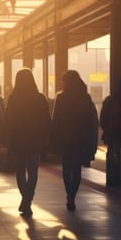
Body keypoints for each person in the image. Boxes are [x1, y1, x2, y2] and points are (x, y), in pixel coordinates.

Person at [51, 70, 98, 211]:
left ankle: (69, 195)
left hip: (66, 138)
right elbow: (93, 119)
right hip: (80, 138)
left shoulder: (61, 98)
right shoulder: (85, 97)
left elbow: (56, 119)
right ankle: (73, 195)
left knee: (66, 167)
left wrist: (53, 137)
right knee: (77, 168)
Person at [5, 68, 50, 216]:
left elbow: (8, 121)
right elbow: (46, 121)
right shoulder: (40, 98)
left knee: (20, 171)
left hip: (18, 140)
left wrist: (7, 139)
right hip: (35, 140)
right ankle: (27, 200)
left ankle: (25, 198)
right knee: (33, 172)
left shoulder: (13, 99)